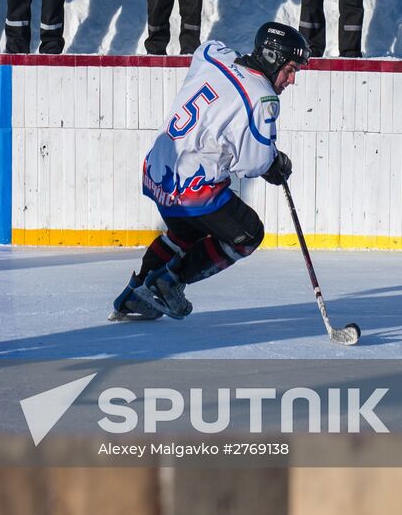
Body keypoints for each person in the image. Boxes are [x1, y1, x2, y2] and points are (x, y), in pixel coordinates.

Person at [111, 22, 309, 321]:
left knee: (183, 233)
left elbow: (208, 46)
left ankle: (134, 294)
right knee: (248, 234)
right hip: (192, 187)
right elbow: (252, 163)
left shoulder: (215, 58)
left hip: (157, 170)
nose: (292, 80)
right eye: (291, 69)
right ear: (271, 58)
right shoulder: (263, 98)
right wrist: (275, 163)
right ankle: (171, 282)